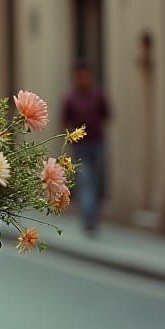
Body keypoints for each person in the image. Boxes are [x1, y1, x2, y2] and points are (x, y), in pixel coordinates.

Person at [62, 60, 111, 232]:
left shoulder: (98, 95)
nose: (83, 79)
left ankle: (93, 214)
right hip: (80, 146)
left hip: (97, 143)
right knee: (85, 180)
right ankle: (88, 217)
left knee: (96, 180)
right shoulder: (71, 98)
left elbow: (106, 114)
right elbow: (65, 120)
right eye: (80, 76)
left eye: (85, 76)